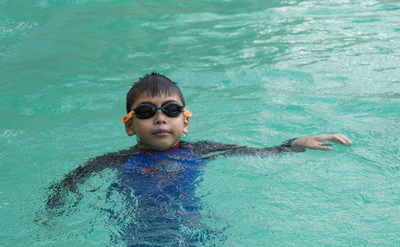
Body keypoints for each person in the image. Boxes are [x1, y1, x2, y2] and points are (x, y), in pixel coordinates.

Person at [44, 72, 352, 245]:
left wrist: (294, 143)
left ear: (185, 122)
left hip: (195, 227)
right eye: (146, 112)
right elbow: (71, 180)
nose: (161, 118)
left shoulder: (200, 150)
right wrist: (57, 207)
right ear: (130, 125)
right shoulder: (116, 160)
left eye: (172, 110)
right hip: (140, 233)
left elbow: (255, 152)